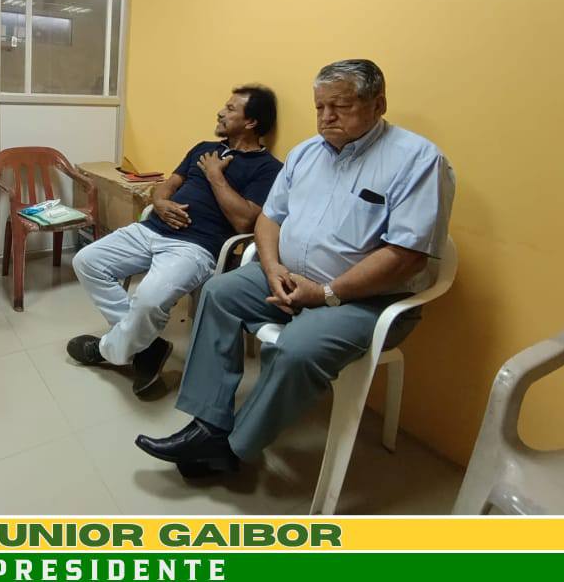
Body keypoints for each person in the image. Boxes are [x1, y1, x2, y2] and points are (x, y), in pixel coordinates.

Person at [135, 59, 455, 475]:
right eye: (320, 106)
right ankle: (208, 424)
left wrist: (326, 293)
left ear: (378, 104)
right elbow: (269, 219)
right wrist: (271, 268)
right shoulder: (306, 153)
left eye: (340, 106)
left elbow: (406, 256)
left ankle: (233, 448)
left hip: (366, 300)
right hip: (287, 277)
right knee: (218, 292)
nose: (326, 117)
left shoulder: (418, 160)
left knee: (294, 349)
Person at [68, 85, 283, 395]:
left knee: (148, 298)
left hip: (195, 247)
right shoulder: (203, 148)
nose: (220, 113)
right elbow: (166, 186)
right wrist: (160, 202)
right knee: (86, 261)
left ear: (251, 122)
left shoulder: (268, 168)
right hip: (151, 229)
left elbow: (244, 221)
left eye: (230, 109)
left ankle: (109, 350)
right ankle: (146, 347)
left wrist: (215, 176)